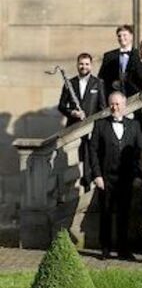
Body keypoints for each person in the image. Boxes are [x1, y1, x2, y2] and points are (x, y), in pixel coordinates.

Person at [86, 91, 142, 260]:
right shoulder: (100, 124)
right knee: (106, 213)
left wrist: (138, 175)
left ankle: (124, 250)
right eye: (112, 104)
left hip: (126, 177)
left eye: (117, 104)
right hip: (106, 177)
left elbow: (139, 152)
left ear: (124, 105)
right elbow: (93, 151)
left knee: (124, 213)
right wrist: (97, 175)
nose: (114, 107)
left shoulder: (134, 125)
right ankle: (105, 249)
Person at [60, 52, 108, 189]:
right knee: (74, 160)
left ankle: (87, 184)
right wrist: (72, 113)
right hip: (74, 128)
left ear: (91, 66)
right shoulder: (70, 83)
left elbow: (102, 107)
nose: (84, 67)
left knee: (89, 157)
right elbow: (61, 106)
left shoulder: (98, 83)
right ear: (77, 65)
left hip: (91, 128)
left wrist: (96, 125)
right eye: (81, 64)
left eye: (87, 64)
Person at [98, 25, 135, 93]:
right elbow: (102, 78)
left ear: (131, 36)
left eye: (124, 35)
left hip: (134, 94)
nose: (121, 38)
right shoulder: (109, 56)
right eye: (119, 36)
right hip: (113, 94)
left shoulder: (138, 55)